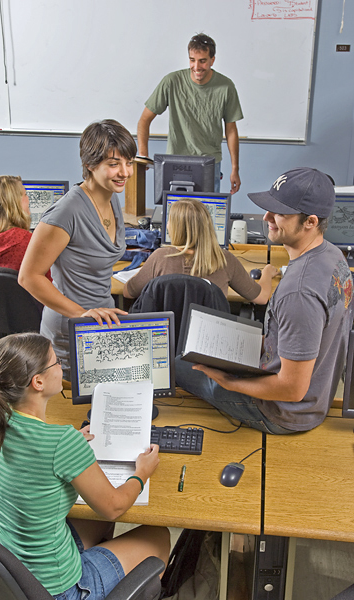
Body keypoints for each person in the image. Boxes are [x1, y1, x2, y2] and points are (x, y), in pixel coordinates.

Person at [0, 332, 170, 600]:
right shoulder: (61, 442)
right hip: (61, 590)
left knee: (97, 524)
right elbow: (113, 507)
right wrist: (142, 473)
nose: (62, 367)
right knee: (158, 536)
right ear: (38, 382)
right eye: (56, 363)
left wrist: (71, 445)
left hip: (12, 575)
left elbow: (36, 459)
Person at [176, 168, 354, 434]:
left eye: (279, 213)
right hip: (315, 397)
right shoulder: (332, 255)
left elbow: (292, 389)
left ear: (310, 221)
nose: (266, 217)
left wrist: (230, 382)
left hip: (282, 412)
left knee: (176, 362)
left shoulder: (299, 293)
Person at [19, 119, 135, 379]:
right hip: (69, 327)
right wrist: (82, 313)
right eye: (114, 164)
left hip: (100, 322)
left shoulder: (112, 198)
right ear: (90, 165)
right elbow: (28, 277)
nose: (125, 172)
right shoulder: (66, 212)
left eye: (129, 162)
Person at [137, 33, 243, 194]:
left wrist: (235, 168)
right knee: (176, 214)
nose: (196, 67)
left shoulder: (226, 87)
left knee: (207, 215)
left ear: (212, 60)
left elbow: (231, 130)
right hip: (175, 160)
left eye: (202, 61)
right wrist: (143, 156)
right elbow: (144, 120)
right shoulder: (171, 81)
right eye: (192, 60)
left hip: (210, 162)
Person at [124, 198, 279, 303]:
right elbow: (261, 298)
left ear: (174, 228)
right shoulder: (224, 259)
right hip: (208, 345)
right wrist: (267, 273)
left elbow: (128, 292)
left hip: (167, 340)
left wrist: (145, 271)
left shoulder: (160, 258)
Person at [0, 175, 51, 279]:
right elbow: (45, 283)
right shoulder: (30, 243)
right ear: (15, 203)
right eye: (25, 194)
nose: (28, 199)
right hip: (22, 295)